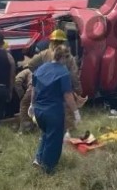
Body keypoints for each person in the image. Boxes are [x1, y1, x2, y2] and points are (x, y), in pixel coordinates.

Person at [31, 44, 81, 174]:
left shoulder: (42, 68)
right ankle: (47, 169)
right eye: (67, 57)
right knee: (54, 140)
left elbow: (34, 88)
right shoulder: (63, 72)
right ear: (64, 57)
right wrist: (76, 112)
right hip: (53, 112)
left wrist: (32, 105)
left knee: (46, 134)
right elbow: (68, 95)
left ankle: (38, 159)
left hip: (39, 110)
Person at [24, 29, 84, 137]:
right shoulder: (67, 56)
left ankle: (28, 128)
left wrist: (40, 75)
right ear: (64, 42)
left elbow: (31, 65)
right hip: (61, 89)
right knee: (65, 111)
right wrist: (78, 90)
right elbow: (74, 76)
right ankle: (67, 132)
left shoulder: (44, 54)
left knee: (28, 104)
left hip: (42, 89)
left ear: (51, 41)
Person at [15, 68, 35, 132]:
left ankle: (26, 129)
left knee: (25, 105)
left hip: (32, 89)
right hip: (45, 91)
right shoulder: (43, 69)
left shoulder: (27, 71)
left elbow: (17, 81)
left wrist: (21, 95)